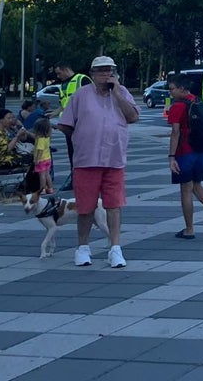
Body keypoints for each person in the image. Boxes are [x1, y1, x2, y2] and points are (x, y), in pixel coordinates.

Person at [58, 55, 140, 268]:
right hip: (87, 160)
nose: (106, 74)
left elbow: (133, 117)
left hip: (114, 158)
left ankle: (115, 248)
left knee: (114, 205)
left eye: (109, 70)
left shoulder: (121, 93)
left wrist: (118, 93)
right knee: (85, 207)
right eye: (101, 71)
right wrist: (80, 138)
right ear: (92, 74)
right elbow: (65, 124)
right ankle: (83, 248)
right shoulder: (80, 95)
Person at [166, 74, 203, 240]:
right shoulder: (198, 100)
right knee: (196, 184)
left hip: (185, 151)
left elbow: (175, 132)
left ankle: (189, 229)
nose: (170, 92)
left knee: (185, 189)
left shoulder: (177, 106)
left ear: (182, 89)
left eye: (172, 89)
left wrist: (171, 157)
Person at [54, 62, 87, 185]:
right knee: (72, 153)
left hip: (81, 123)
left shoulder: (82, 79)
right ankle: (75, 179)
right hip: (68, 125)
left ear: (66, 69)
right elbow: (63, 105)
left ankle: (81, 179)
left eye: (59, 73)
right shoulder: (63, 84)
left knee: (82, 153)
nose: (58, 76)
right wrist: (54, 114)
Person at [31, 117, 55, 195]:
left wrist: (37, 159)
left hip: (41, 159)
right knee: (47, 174)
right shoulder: (47, 138)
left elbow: (40, 150)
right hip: (48, 158)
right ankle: (50, 188)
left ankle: (43, 189)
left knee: (42, 175)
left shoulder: (40, 139)